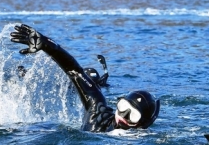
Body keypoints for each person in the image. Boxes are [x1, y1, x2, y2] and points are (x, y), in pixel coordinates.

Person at [9, 24, 159, 132]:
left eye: (133, 114)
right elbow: (74, 71)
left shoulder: (141, 139)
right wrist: (47, 45)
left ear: (142, 124)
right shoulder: (97, 111)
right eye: (123, 107)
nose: (123, 115)